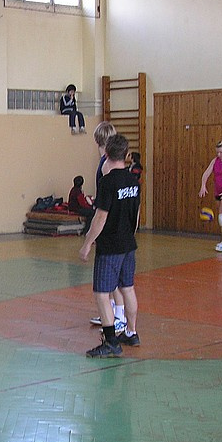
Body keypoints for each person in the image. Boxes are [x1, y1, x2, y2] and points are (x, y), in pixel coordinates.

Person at [80, 134, 141, 358]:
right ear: (126, 155)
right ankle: (131, 332)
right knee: (127, 288)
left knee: (102, 293)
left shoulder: (107, 182)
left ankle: (111, 342)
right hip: (128, 244)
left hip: (110, 247)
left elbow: (100, 217)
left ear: (106, 154)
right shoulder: (134, 181)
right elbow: (136, 216)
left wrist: (87, 243)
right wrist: (129, 235)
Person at [89, 121, 128, 335]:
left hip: (110, 225)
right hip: (112, 223)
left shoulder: (106, 165)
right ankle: (112, 312)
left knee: (111, 275)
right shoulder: (105, 161)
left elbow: (108, 196)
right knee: (111, 276)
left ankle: (119, 316)